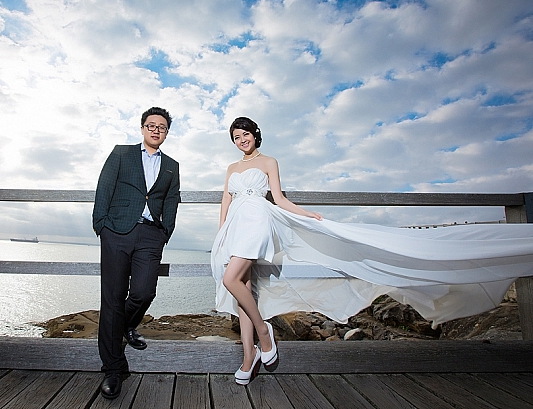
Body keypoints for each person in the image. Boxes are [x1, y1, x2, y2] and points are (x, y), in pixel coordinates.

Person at [212, 116, 533, 386]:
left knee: (231, 280)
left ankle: (264, 333)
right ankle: (249, 356)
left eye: (245, 134)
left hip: (257, 220)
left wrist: (307, 214)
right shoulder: (231, 168)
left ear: (255, 133)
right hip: (235, 226)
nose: (241, 141)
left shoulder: (269, 162)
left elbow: (279, 199)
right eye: (236, 138)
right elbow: (226, 201)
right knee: (244, 288)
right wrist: (221, 232)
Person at [92, 107, 180, 399]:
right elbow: (104, 187)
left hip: (151, 235)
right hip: (116, 231)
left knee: (144, 292)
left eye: (162, 127)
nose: (156, 130)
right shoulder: (121, 153)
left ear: (166, 133)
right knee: (113, 297)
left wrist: (165, 232)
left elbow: (171, 200)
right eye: (151, 125)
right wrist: (101, 225)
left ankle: (126, 325)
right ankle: (113, 369)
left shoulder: (172, 166)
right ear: (142, 128)